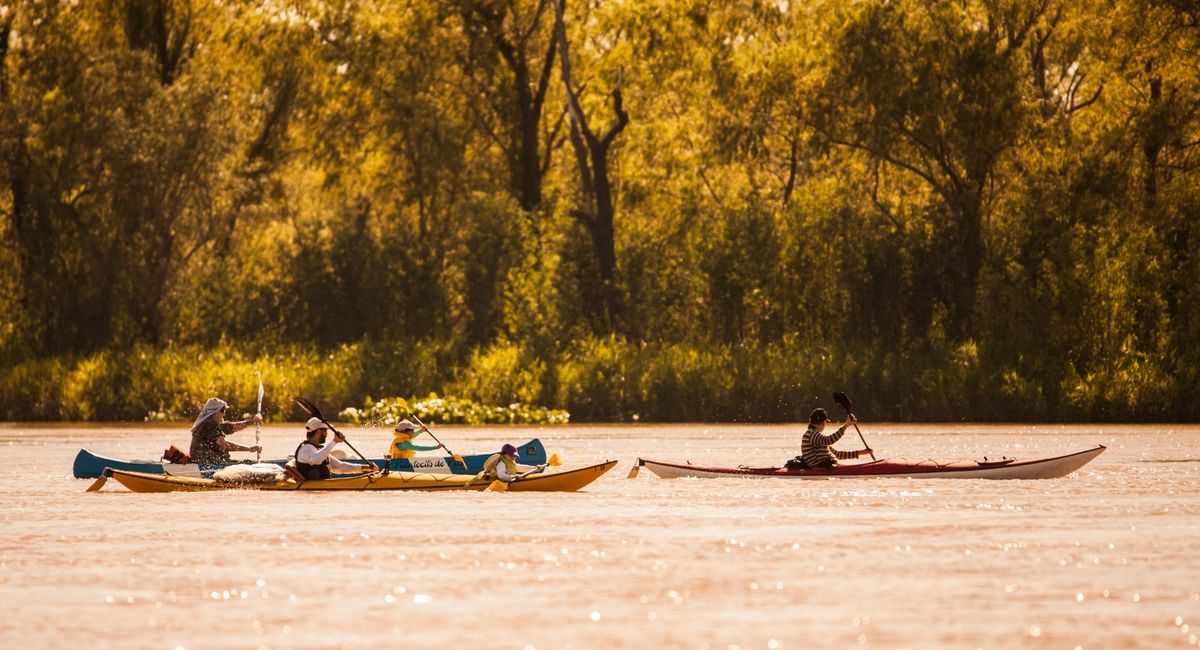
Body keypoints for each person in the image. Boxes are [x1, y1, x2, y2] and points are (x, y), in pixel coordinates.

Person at [790, 407, 872, 470]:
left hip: (827, 466)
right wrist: (846, 425)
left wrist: (861, 452)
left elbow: (838, 454)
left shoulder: (816, 436)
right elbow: (829, 440)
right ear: (823, 422)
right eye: (826, 422)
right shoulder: (812, 434)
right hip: (821, 468)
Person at [293, 417, 374, 480]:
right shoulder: (306, 448)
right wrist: (334, 441)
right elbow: (316, 460)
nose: (327, 434)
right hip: (312, 488)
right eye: (325, 431)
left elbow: (339, 467)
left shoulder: (318, 450)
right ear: (318, 431)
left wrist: (365, 467)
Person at [189, 398, 262, 464]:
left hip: (211, 461)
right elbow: (225, 445)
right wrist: (249, 449)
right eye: (222, 410)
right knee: (244, 463)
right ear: (213, 412)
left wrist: (252, 421)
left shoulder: (213, 423)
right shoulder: (209, 425)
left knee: (244, 462)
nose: (224, 413)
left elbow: (233, 427)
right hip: (206, 463)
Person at [481, 443, 546, 484]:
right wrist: (512, 477)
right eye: (511, 455)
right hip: (496, 480)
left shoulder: (511, 463)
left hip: (508, 479)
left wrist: (535, 468)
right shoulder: (501, 463)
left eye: (514, 456)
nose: (513, 457)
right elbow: (501, 475)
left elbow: (519, 467)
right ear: (504, 455)